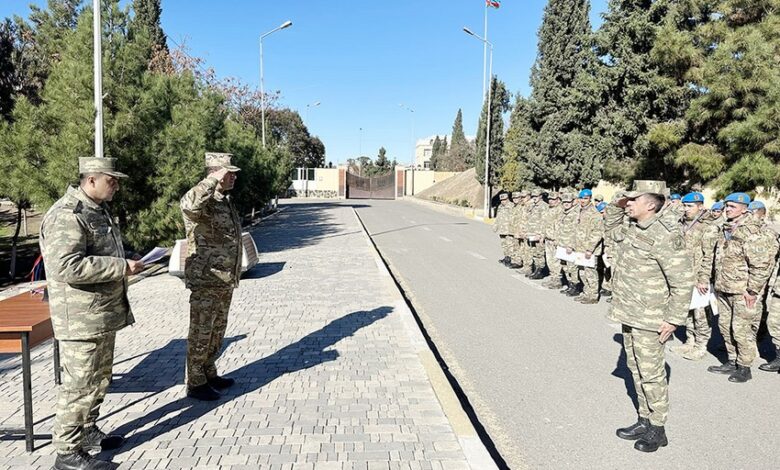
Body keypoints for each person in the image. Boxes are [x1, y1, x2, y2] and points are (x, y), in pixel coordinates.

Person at [40, 157, 144, 470]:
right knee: (79, 385)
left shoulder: (95, 209)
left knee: (98, 380)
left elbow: (97, 254)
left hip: (101, 314)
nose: (117, 185)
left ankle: (87, 432)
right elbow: (66, 266)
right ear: (91, 180)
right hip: (80, 318)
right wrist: (120, 267)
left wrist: (126, 260)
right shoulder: (67, 214)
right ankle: (67, 454)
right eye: (111, 180)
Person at [605, 180, 694, 453]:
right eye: (627, 199)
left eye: (634, 199)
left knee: (652, 374)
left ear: (652, 204)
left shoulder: (667, 234)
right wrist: (622, 197)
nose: (628, 203)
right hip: (630, 312)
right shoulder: (632, 227)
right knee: (635, 369)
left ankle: (658, 428)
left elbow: (682, 280)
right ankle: (644, 419)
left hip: (652, 318)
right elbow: (609, 224)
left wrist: (674, 319)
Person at [181, 152, 243, 401]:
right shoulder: (202, 199)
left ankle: (209, 371)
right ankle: (195, 382)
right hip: (206, 277)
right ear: (215, 174)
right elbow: (187, 205)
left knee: (217, 329)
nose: (234, 178)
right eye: (229, 174)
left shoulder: (224, 200)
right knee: (201, 330)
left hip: (224, 278)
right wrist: (211, 180)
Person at [707, 193, 777, 383]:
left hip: (743, 291)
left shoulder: (754, 231)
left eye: (732, 206)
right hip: (724, 286)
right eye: (726, 206)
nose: (727, 209)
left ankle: (745, 367)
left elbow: (762, 265)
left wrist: (753, 291)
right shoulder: (725, 228)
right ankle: (731, 360)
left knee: (742, 329)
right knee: (724, 326)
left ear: (744, 209)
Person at [670, 192, 719, 361]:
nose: (685, 209)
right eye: (684, 205)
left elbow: (709, 256)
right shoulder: (682, 223)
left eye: (689, 206)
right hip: (683, 275)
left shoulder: (708, 226)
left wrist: (703, 278)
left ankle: (700, 346)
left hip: (699, 277)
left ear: (700, 206)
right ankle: (689, 341)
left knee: (701, 314)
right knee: (688, 311)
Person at [574, 189, 603, 304]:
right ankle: (586, 293)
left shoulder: (594, 213)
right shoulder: (580, 211)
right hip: (579, 247)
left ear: (590, 198)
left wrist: (590, 249)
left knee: (590, 272)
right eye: (581, 198)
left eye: (585, 198)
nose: (583, 201)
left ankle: (593, 295)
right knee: (582, 272)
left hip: (589, 249)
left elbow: (597, 233)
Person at [557, 192, 581, 296]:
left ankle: (575, 286)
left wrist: (571, 245)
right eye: (564, 202)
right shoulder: (563, 213)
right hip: (562, 243)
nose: (566, 204)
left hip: (569, 245)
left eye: (568, 202)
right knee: (564, 266)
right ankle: (569, 284)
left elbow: (576, 231)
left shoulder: (575, 214)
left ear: (572, 202)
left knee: (572, 267)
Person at [542, 192, 564, 288]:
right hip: (548, 238)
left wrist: (557, 238)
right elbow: (544, 223)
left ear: (558, 200)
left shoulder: (560, 210)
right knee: (550, 260)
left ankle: (557, 280)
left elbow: (560, 227)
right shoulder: (548, 209)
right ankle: (553, 278)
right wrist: (543, 235)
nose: (551, 201)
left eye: (553, 199)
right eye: (550, 199)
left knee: (556, 261)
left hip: (555, 239)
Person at [525, 189, 548, 279]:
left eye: (536, 196)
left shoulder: (544, 206)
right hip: (532, 234)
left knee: (540, 253)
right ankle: (536, 269)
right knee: (534, 252)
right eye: (533, 196)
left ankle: (540, 271)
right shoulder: (533, 206)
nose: (534, 198)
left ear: (540, 196)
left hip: (538, 234)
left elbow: (545, 222)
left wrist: (542, 234)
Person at [494, 193, 515, 265]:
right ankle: (506, 257)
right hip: (502, 229)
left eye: (504, 200)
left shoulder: (512, 206)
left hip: (509, 230)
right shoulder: (500, 207)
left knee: (510, 245)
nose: (503, 201)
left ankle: (511, 259)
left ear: (508, 199)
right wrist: (495, 226)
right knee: (504, 244)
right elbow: (498, 217)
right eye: (501, 200)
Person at [507, 191, 524, 269]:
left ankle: (519, 262)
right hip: (513, 230)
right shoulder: (514, 207)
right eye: (513, 198)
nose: (515, 199)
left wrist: (520, 230)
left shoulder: (522, 207)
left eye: (517, 198)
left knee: (520, 247)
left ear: (520, 198)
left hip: (519, 231)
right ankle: (515, 261)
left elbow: (523, 220)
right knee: (515, 246)